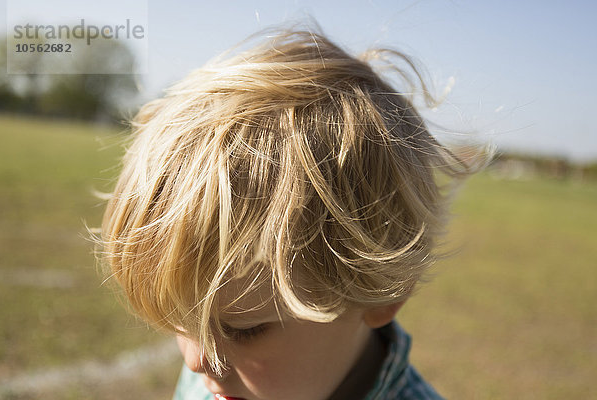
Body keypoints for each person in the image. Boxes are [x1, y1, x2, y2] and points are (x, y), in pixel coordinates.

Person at [99, 24, 483, 400]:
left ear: (383, 296)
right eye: (181, 322)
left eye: (242, 330)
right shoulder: (214, 383)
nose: (197, 361)